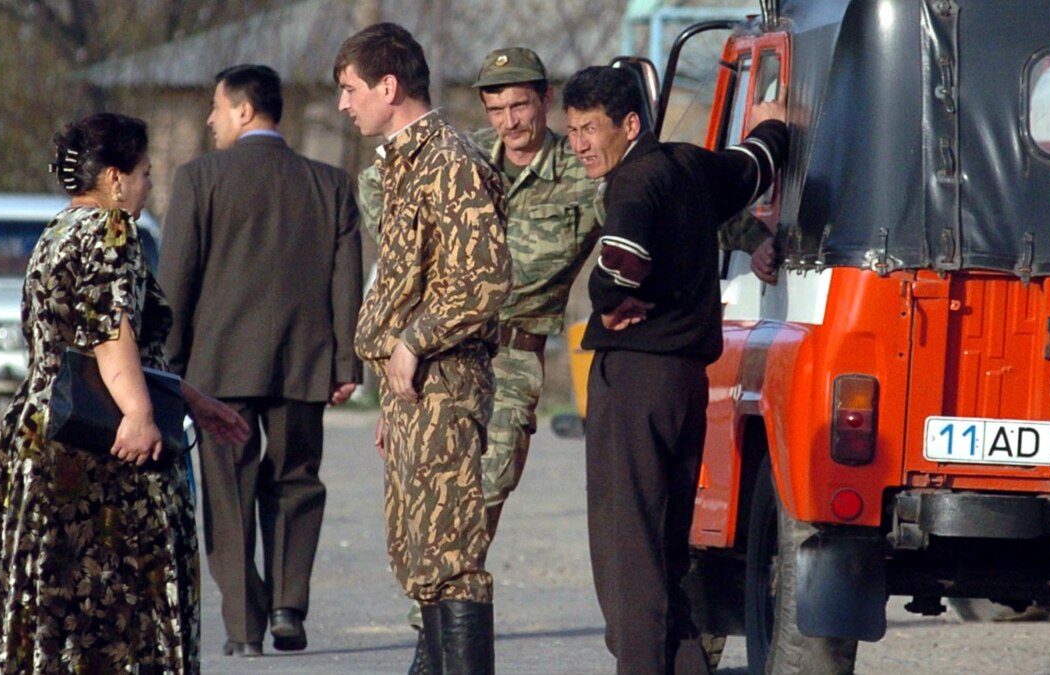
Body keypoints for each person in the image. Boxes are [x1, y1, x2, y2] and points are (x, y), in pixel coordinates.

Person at [0, 112, 250, 672]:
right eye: (147, 173)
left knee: (53, 608)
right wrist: (141, 415)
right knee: (117, 614)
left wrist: (189, 398)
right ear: (116, 178)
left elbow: (79, 345)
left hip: (45, 433)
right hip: (98, 455)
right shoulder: (111, 230)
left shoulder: (57, 231)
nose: (150, 186)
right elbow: (110, 333)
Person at [358, 45, 600, 644]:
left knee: (476, 499)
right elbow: (376, 185)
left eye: (521, 106)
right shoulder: (463, 160)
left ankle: (437, 643)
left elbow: (658, 198)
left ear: (545, 100)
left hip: (512, 356)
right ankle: (434, 639)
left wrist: (752, 239)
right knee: (419, 518)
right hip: (438, 352)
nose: (510, 122)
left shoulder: (579, 172)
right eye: (496, 109)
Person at [562, 66, 788, 674]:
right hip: (685, 385)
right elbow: (756, 164)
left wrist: (611, 299)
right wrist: (774, 129)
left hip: (635, 381)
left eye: (590, 128)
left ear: (630, 124)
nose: (580, 142)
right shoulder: (691, 164)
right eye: (573, 130)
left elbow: (621, 263)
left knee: (627, 556)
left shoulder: (633, 182)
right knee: (664, 551)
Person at [159, 64, 363, 658]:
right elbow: (345, 280)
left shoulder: (199, 179)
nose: (210, 119)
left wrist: (166, 367)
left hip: (218, 370)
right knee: (298, 481)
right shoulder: (331, 184)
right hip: (305, 364)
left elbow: (176, 281)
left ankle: (245, 629)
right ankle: (286, 608)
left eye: (216, 108)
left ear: (244, 110)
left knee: (228, 494)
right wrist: (345, 362)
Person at [334, 22, 511, 674]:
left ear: (389, 85)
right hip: (411, 393)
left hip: (445, 380)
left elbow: (485, 278)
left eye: (351, 89)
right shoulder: (406, 166)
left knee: (450, 559)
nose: (344, 105)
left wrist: (414, 340)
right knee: (418, 558)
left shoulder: (451, 163)